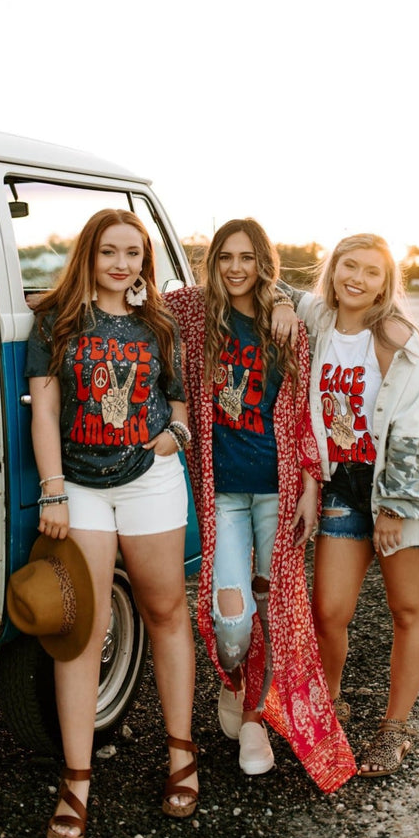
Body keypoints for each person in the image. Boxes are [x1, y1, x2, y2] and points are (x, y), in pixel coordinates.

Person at [25, 208, 199, 838]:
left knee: (165, 610)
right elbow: (44, 414)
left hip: (150, 479)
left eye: (133, 253)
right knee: (83, 625)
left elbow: (177, 398)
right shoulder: (57, 321)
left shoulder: (160, 324)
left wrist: (174, 435)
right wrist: (53, 493)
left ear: (143, 262)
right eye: (108, 252)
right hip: (79, 486)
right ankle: (76, 781)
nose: (121, 264)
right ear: (89, 257)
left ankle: (181, 754)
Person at [165, 219, 356, 793]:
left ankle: (255, 721)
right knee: (232, 622)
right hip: (221, 492)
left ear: (262, 262)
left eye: (247, 257)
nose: (236, 268)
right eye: (226, 257)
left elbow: (301, 411)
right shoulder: (194, 315)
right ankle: (232, 680)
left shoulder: (284, 325)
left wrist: (310, 486)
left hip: (277, 491)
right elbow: (132, 293)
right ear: (214, 262)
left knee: (272, 615)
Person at [284, 233, 419, 777]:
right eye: (348, 266)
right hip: (342, 487)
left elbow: (410, 429)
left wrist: (393, 507)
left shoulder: (393, 336)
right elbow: (269, 284)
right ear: (332, 269)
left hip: (400, 489)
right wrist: (272, 302)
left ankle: (394, 730)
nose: (357, 279)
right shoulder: (316, 318)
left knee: (407, 611)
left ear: (387, 284)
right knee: (329, 612)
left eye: (372, 272)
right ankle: (331, 709)